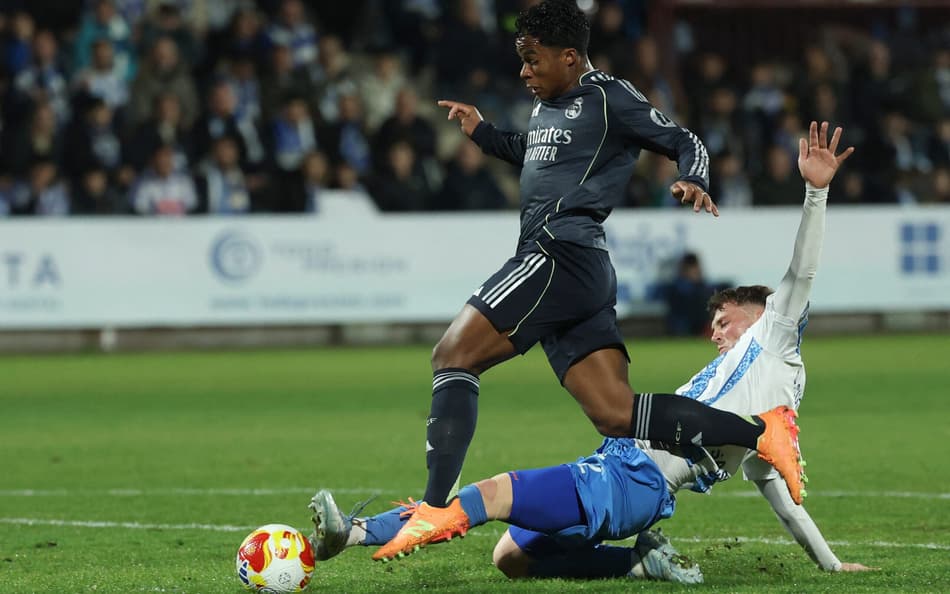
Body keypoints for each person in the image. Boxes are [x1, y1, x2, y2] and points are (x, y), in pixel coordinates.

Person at [311, 122, 873, 581]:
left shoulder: (773, 337)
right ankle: (640, 561)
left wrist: (816, 191)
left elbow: (802, 271)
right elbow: (784, 497)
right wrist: (830, 562)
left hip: (634, 483)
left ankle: (353, 533)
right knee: (510, 557)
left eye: (725, 320)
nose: (717, 332)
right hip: (613, 463)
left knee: (491, 494)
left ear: (761, 314)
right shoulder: (755, 389)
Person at [384, 0, 805, 534]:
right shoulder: (546, 106)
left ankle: (433, 508)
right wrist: (482, 133)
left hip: (558, 254)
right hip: (577, 270)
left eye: (533, 60)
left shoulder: (611, 97)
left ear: (569, 56)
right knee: (615, 414)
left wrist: (694, 176)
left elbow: (683, 140)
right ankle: (761, 432)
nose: (524, 72)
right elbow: (532, 151)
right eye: (521, 60)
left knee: (452, 355)